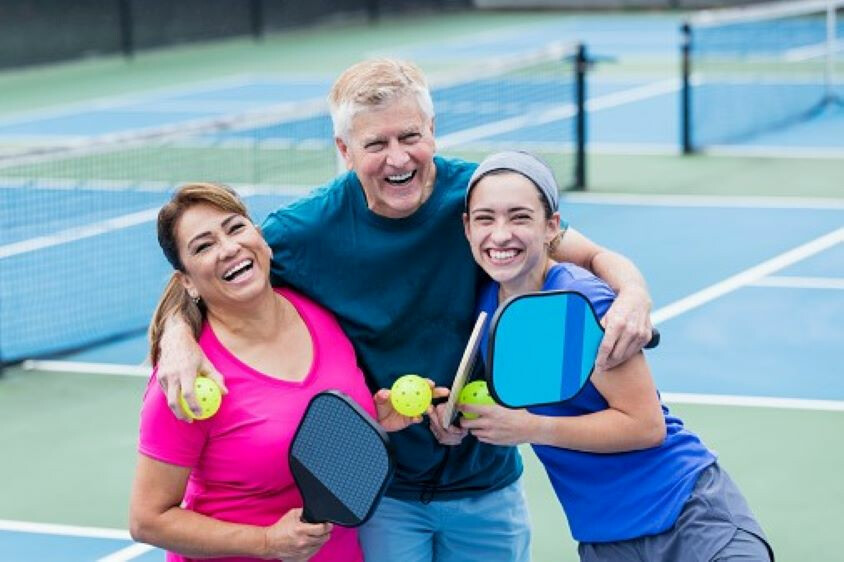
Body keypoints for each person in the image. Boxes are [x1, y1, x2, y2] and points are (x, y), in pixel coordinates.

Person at [151, 59, 656, 561]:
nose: (398, 159)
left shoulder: (481, 200)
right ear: (344, 151)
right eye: (375, 144)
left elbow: (589, 254)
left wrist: (632, 293)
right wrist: (176, 336)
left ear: (433, 130)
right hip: (383, 495)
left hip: (488, 485)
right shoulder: (305, 230)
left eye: (410, 136)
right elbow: (219, 271)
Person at [455, 151, 773, 561]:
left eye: (519, 217)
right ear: (467, 227)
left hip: (686, 514)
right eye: (486, 218)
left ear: (552, 226)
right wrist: (459, 422)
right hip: (606, 538)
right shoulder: (487, 308)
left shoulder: (583, 302)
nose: (500, 235)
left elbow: (644, 425)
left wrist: (528, 427)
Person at [129, 183, 435, 562]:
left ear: (261, 237)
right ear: (187, 281)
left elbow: (307, 434)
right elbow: (147, 520)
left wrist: (373, 419)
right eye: (203, 246)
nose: (228, 248)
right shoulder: (186, 381)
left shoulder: (319, 313)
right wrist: (266, 542)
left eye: (235, 227)